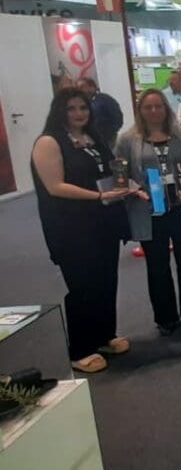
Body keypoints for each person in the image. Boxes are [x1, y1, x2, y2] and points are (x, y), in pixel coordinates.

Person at [32, 88, 135, 373]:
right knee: (82, 285)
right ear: (60, 111)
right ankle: (80, 349)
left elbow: (111, 174)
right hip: (71, 226)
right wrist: (98, 196)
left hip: (102, 223)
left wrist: (130, 189)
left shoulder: (93, 138)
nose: (79, 114)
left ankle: (103, 336)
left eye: (83, 108)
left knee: (106, 280)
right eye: (71, 108)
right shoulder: (49, 142)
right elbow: (55, 186)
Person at [115, 89, 181, 335]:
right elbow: (120, 175)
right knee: (157, 266)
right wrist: (135, 189)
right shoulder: (127, 140)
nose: (154, 111)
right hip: (149, 212)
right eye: (148, 107)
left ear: (166, 108)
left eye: (158, 106)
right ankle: (166, 318)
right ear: (140, 111)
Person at [76, 77, 124, 148]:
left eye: (82, 87)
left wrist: (109, 133)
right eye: (77, 88)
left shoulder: (104, 99)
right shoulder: (82, 103)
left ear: (92, 87)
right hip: (90, 141)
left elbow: (117, 117)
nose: (79, 90)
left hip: (107, 139)